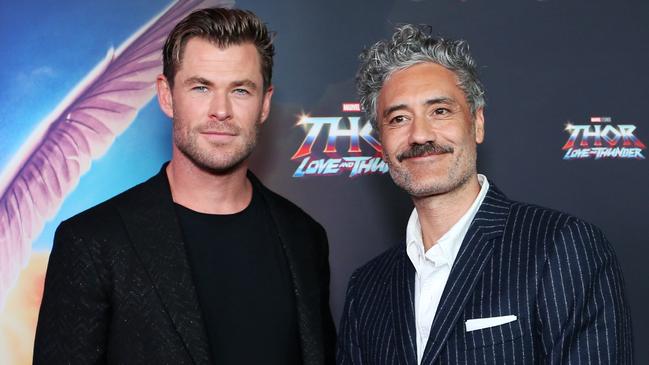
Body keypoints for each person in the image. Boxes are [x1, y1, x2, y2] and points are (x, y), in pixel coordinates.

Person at [34, 8, 335, 364]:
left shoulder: (305, 237)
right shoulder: (92, 243)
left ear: (264, 104)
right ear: (166, 95)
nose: (220, 110)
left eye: (240, 90)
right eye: (201, 87)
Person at [337, 24, 633, 364]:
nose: (419, 135)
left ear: (477, 123)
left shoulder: (561, 247)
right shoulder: (367, 288)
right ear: (381, 143)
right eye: (399, 118)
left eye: (440, 111)